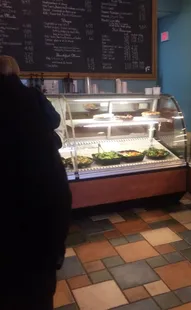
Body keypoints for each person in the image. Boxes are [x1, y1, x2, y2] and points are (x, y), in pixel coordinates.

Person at [0, 55, 72, 310]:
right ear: (17, 72)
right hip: (39, 225)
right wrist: (57, 249)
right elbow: (55, 121)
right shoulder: (33, 100)